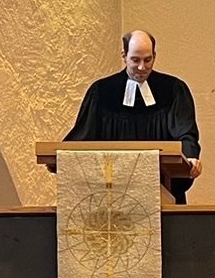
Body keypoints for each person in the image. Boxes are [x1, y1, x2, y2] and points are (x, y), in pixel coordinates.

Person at [65, 30, 203, 202]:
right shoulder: (102, 91)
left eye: (148, 60)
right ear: (124, 55)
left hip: (163, 193)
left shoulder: (173, 90)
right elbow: (84, 136)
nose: (141, 67)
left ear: (154, 55)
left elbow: (185, 133)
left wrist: (189, 156)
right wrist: (60, 159)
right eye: (135, 60)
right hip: (111, 196)